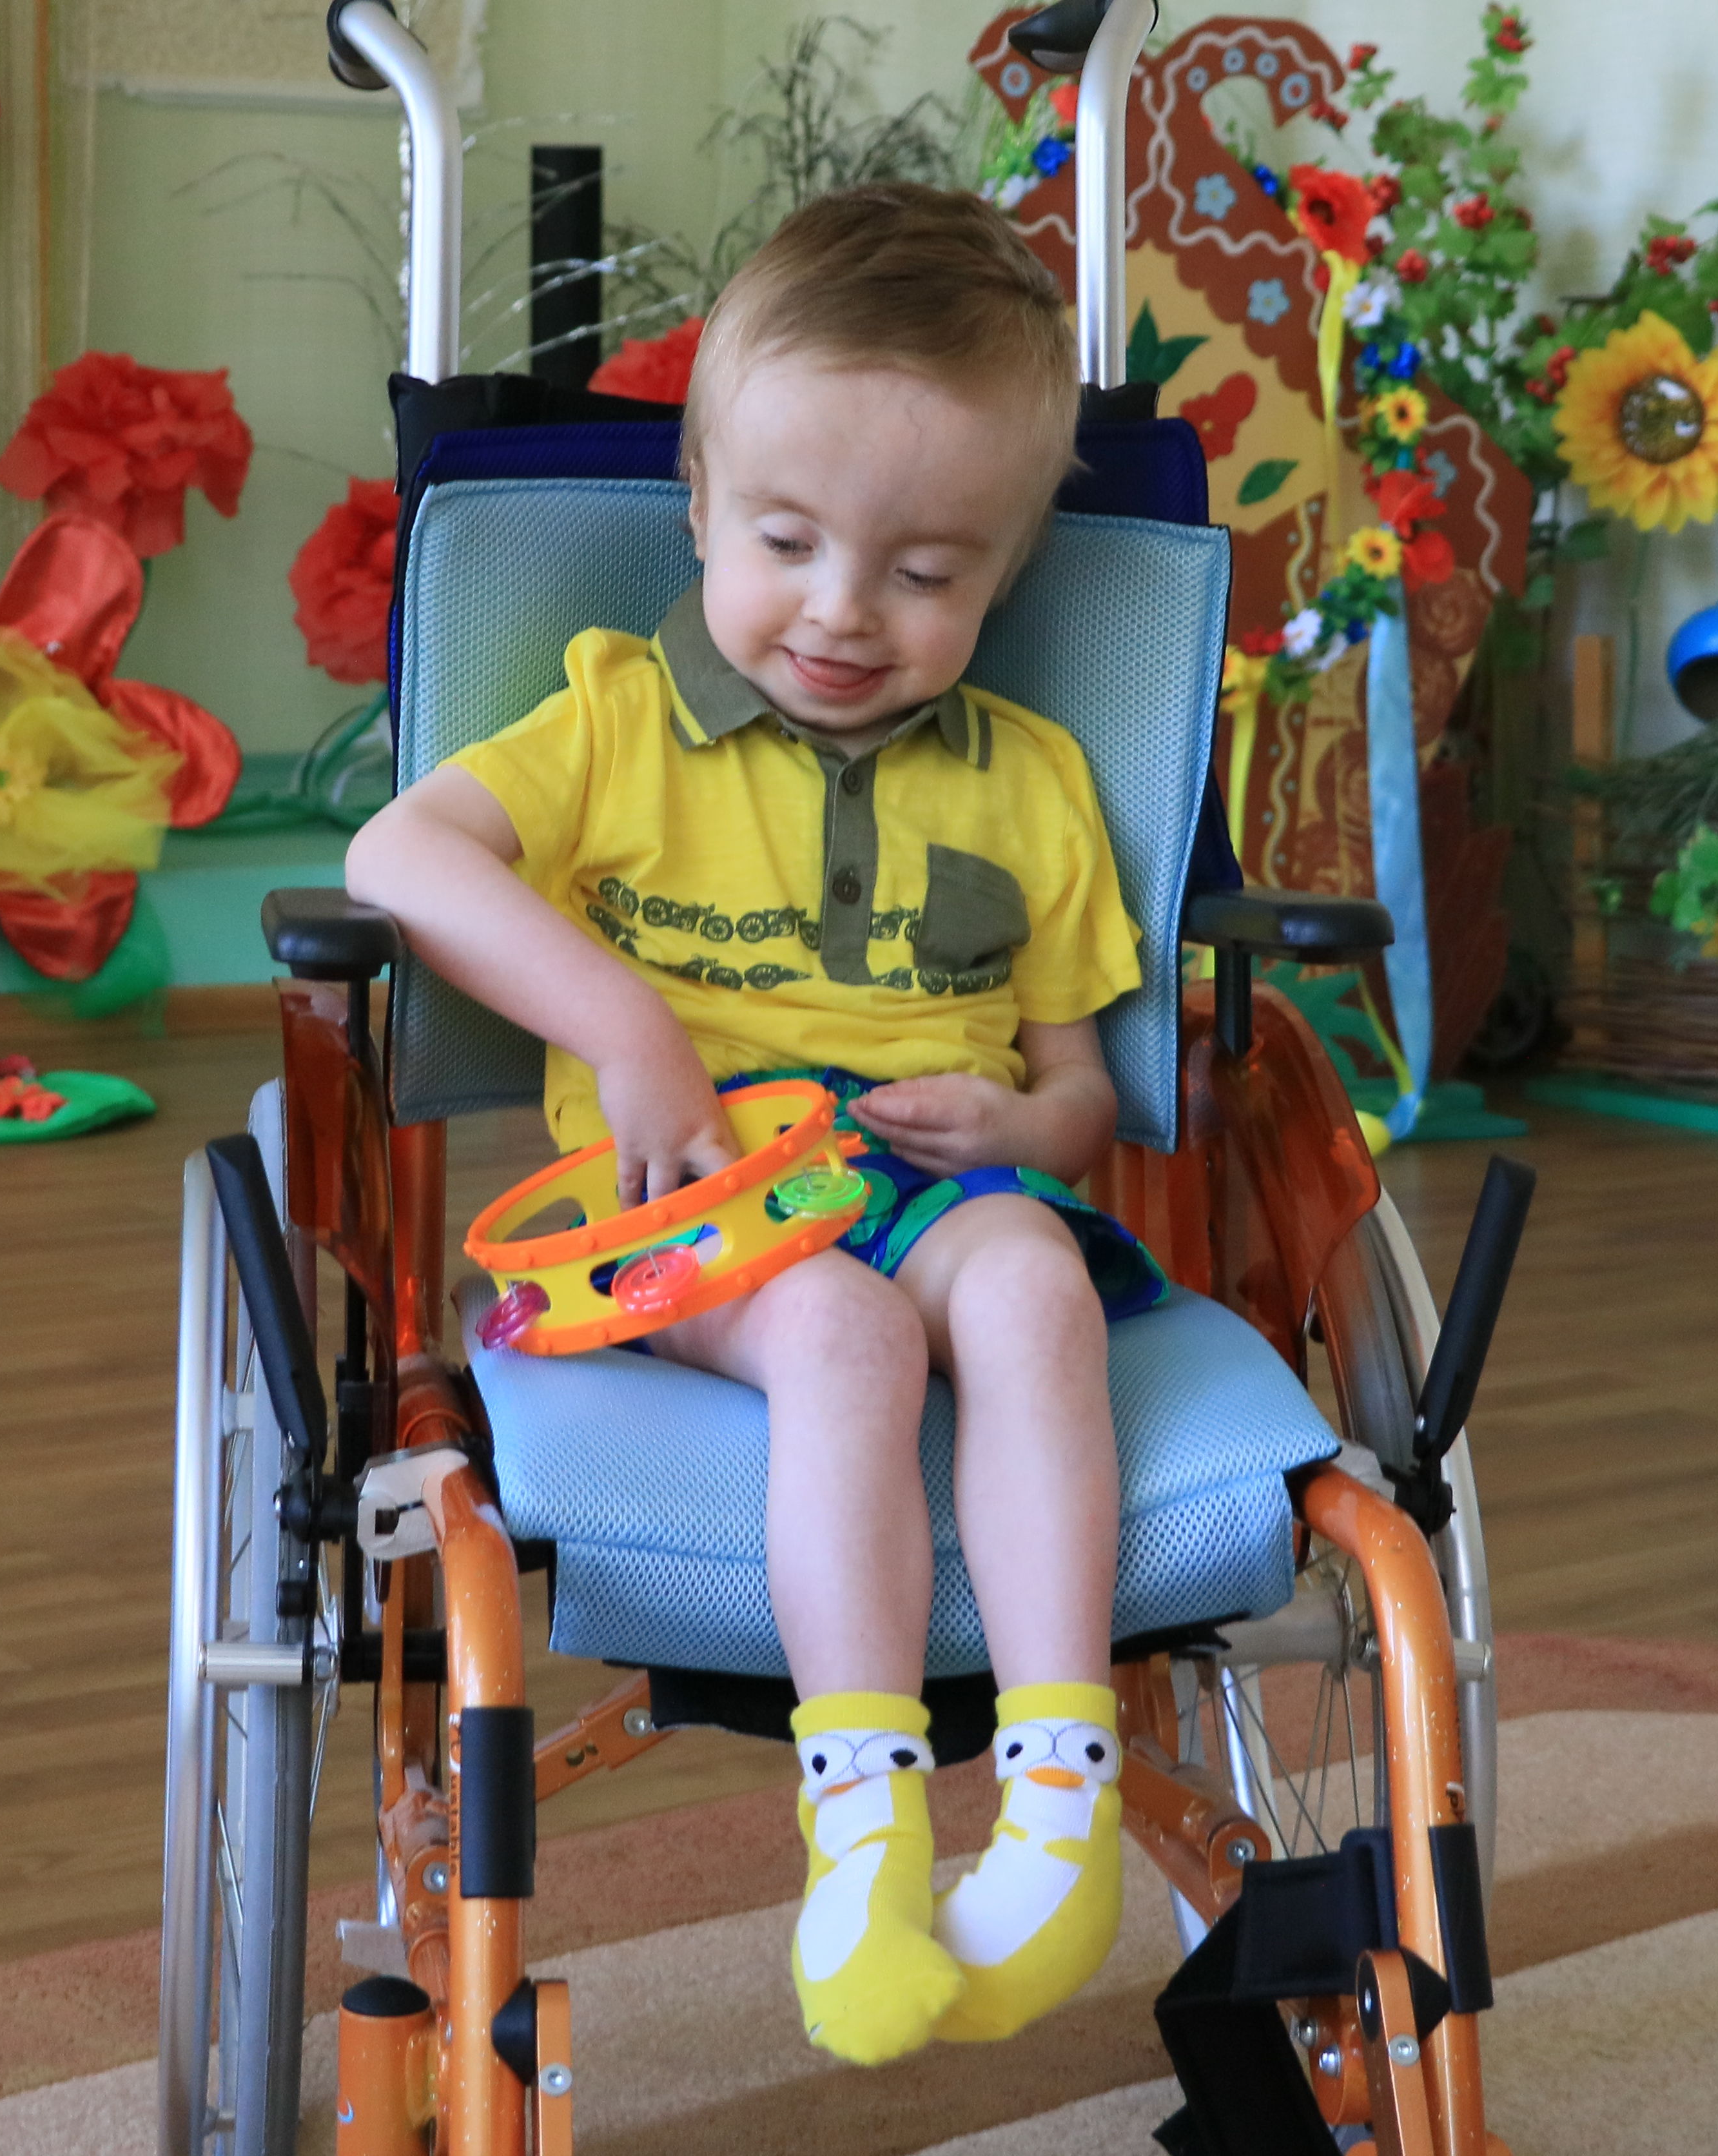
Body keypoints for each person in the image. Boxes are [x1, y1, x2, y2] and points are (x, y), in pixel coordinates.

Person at [345, 182, 1153, 2067]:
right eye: (787, 541)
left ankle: (1059, 1799)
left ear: (1007, 565)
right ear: (699, 504)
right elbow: (399, 853)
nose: (843, 611)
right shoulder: (617, 717)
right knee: (846, 1334)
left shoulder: (1031, 781)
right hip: (683, 1199)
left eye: (925, 570)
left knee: (1033, 1287)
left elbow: (1084, 1093)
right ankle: (864, 1817)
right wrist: (626, 1030)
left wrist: (1022, 1118)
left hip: (930, 1171)